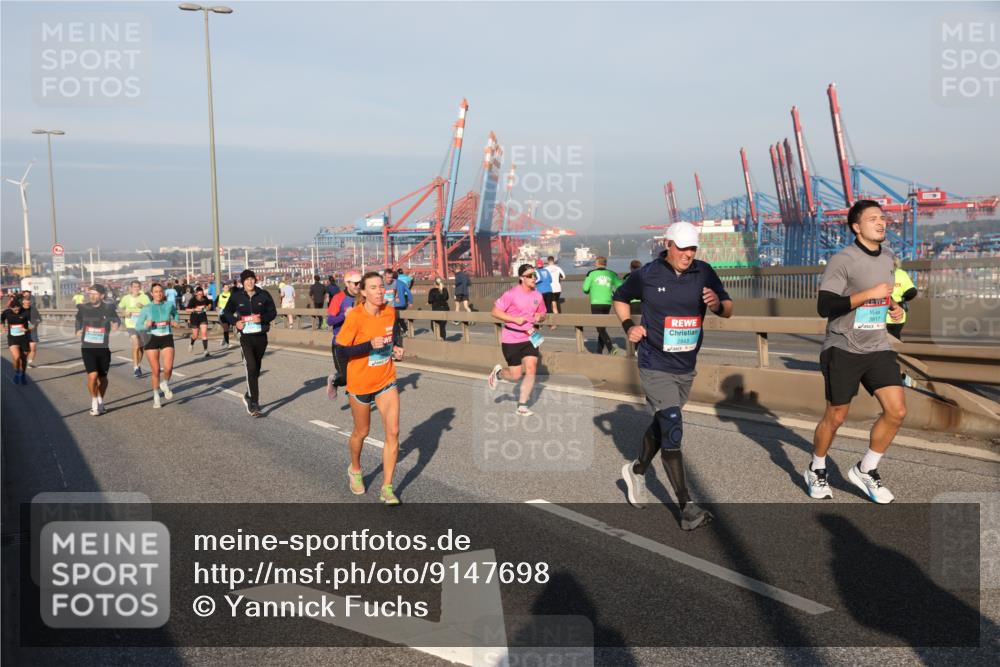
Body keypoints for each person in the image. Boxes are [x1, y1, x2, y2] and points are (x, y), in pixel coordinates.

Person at [613, 221, 733, 531]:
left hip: (686, 366)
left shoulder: (704, 272)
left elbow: (728, 307)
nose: (688, 254)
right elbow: (620, 297)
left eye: (693, 248)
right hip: (654, 362)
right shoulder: (648, 274)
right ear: (668, 245)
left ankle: (636, 471)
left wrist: (717, 304)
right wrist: (629, 327)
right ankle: (686, 507)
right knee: (673, 425)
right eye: (682, 248)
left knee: (663, 422)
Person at [807, 200, 906, 504]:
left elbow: (882, 295)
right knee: (836, 416)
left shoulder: (888, 257)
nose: (881, 222)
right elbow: (825, 306)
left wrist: (893, 306)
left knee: (897, 411)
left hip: (877, 346)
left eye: (883, 217)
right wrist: (868, 295)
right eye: (873, 218)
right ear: (856, 227)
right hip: (844, 346)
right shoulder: (843, 260)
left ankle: (866, 469)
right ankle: (817, 467)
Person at [335, 271, 405, 505]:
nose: (379, 291)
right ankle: (355, 469)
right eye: (373, 287)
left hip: (386, 378)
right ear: (363, 292)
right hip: (360, 381)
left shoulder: (389, 311)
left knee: (393, 432)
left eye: (381, 286)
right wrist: (368, 345)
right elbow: (341, 350)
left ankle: (387, 487)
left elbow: (392, 334)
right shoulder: (355, 316)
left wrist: (395, 348)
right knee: (361, 432)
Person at [486, 264, 547, 416]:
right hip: (511, 338)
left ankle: (522, 406)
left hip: (530, 337)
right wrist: (514, 319)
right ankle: (498, 374)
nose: (534, 278)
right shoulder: (511, 294)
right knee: (516, 375)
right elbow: (494, 312)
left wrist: (541, 317)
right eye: (530, 276)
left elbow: (543, 313)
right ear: (521, 278)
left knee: (531, 368)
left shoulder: (538, 295)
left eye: (535, 275)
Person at [222, 269, 277, 417]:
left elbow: (273, 312)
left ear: (255, 280)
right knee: (251, 366)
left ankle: (248, 394)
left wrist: (262, 318)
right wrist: (235, 322)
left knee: (256, 368)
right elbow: (226, 312)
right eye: (247, 279)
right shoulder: (236, 296)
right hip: (245, 336)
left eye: (252, 279)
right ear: (242, 282)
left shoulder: (263, 294)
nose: (250, 281)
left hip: (261, 336)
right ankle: (254, 403)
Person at [75, 285, 121, 415]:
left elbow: (116, 319)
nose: (92, 296)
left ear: (102, 295)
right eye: (90, 293)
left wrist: (116, 323)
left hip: (103, 348)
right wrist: (77, 329)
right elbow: (78, 319)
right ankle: (94, 402)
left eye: (95, 293)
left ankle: (100, 400)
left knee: (103, 379)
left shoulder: (108, 308)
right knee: (93, 375)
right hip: (88, 347)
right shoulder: (83, 308)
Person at [135, 283, 181, 409]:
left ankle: (164, 383)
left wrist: (176, 321)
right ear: (152, 294)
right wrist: (146, 325)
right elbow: (138, 326)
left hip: (166, 336)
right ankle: (156, 396)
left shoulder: (169, 305)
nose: (159, 294)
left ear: (163, 293)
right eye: (156, 291)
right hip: (151, 338)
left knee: (168, 368)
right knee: (155, 370)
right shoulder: (147, 308)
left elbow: (176, 315)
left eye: (160, 291)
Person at [326, 271, 361, 400]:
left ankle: (354, 395)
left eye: (360, 283)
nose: (358, 285)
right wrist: (344, 316)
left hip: (357, 343)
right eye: (356, 283)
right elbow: (329, 321)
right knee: (345, 378)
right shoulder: (338, 298)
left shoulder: (362, 297)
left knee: (359, 375)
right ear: (347, 283)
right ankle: (334, 381)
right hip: (340, 344)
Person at [582, 257, 624, 355]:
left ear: (597, 264)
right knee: (602, 327)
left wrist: (590, 290)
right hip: (607, 303)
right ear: (605, 264)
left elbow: (585, 289)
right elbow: (621, 286)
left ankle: (610, 348)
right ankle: (599, 350)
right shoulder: (612, 274)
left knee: (599, 328)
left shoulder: (591, 274)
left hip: (596, 303)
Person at [118, 280, 151, 378]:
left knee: (141, 347)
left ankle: (138, 364)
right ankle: (136, 368)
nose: (136, 288)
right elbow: (120, 308)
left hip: (142, 325)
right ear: (130, 288)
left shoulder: (144, 297)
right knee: (136, 345)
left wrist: (143, 306)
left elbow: (151, 308)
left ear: (140, 288)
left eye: (138, 287)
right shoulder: (126, 298)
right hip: (130, 324)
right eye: (134, 287)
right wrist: (124, 313)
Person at [2, 295, 32, 384]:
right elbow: (1, 318)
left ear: (20, 306)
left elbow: (34, 324)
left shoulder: (26, 312)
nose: (16, 310)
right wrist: (2, 326)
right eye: (14, 309)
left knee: (23, 359)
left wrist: (27, 329)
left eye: (18, 308)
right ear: (11, 308)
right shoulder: (7, 312)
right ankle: (17, 374)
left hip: (24, 338)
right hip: (12, 338)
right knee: (17, 357)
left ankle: (23, 374)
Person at [886, 256, 917, 341]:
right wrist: (903, 299)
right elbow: (912, 292)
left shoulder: (878, 273)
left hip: (879, 313)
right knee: (895, 338)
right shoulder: (901, 273)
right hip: (899, 312)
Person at [382, 269, 413, 334]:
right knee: (399, 319)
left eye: (391, 277)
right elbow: (409, 292)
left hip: (393, 305)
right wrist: (410, 302)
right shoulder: (402, 283)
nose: (390, 279)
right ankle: (404, 330)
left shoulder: (390, 284)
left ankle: (399, 332)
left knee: (395, 320)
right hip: (402, 304)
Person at [186, 286, 214, 358]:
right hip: (194, 318)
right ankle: (191, 344)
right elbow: (187, 310)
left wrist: (208, 307)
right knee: (195, 335)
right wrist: (195, 309)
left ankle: (205, 351)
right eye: (199, 294)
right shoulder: (193, 300)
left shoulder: (205, 298)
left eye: (201, 294)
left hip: (203, 317)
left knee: (204, 333)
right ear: (196, 294)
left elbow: (209, 304)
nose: (200, 296)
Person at [20, 291, 42, 368]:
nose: (27, 302)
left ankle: (29, 363)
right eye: (26, 300)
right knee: (25, 350)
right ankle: (23, 361)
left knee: (33, 348)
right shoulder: (19, 310)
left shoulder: (33, 309)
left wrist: (35, 325)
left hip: (32, 331)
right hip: (22, 332)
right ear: (23, 301)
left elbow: (39, 319)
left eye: (29, 300)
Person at [544, 256, 566, 329]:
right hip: (558, 288)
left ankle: (555, 323)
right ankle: (556, 322)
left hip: (551, 289)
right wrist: (558, 279)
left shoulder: (546, 269)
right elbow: (563, 277)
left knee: (553, 306)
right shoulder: (558, 268)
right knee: (555, 304)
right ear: (553, 261)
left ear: (548, 261)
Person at [215, 283, 233, 349]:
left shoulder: (231, 295)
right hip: (222, 314)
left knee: (227, 329)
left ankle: (224, 339)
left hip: (229, 313)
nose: (226, 289)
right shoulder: (220, 295)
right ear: (223, 288)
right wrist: (217, 308)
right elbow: (215, 302)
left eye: (227, 288)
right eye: (225, 288)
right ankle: (227, 344)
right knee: (225, 328)